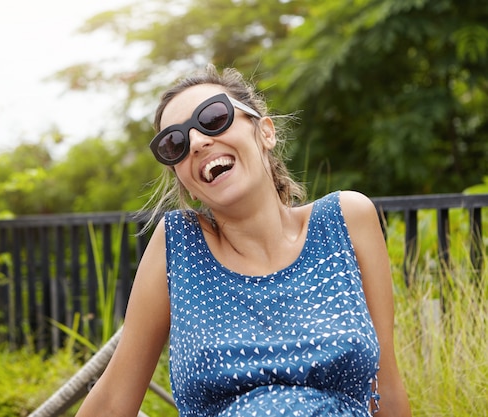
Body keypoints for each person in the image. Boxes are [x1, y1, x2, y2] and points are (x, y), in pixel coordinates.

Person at [76, 64, 411, 417]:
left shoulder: (347, 218)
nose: (197, 141)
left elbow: (385, 385)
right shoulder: (178, 246)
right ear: (182, 177)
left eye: (214, 117)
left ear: (266, 132)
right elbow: (114, 399)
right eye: (175, 143)